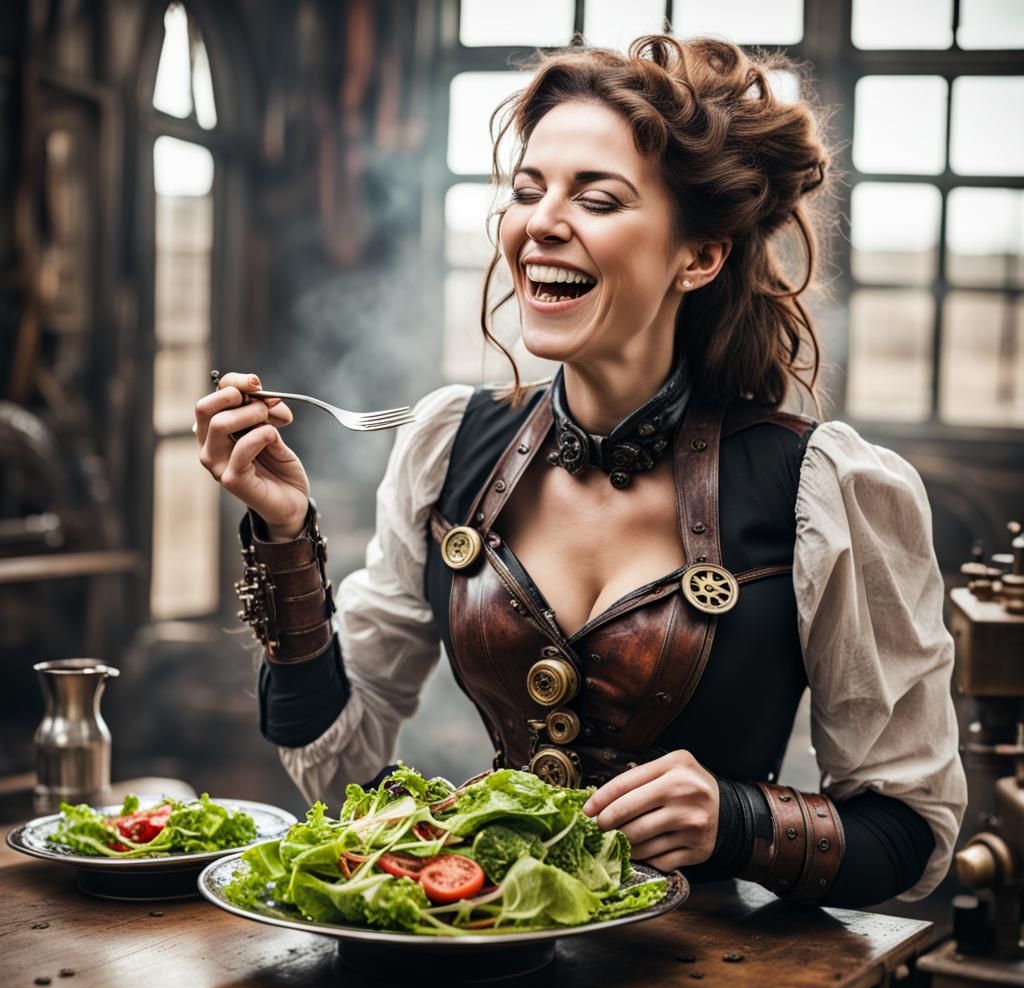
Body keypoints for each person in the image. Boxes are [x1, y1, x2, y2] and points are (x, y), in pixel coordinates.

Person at [195, 35, 966, 909]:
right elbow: (335, 766)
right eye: (528, 191)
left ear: (699, 256)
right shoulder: (449, 443)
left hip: (705, 981)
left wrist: (740, 820)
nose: (541, 222)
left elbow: (910, 834)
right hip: (484, 958)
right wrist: (287, 534)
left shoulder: (824, 487)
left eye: (596, 198)